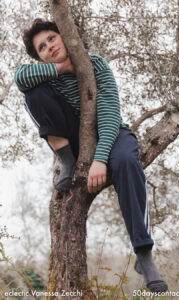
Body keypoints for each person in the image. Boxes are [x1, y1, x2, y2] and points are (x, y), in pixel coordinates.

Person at [14, 18, 168, 293]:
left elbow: (110, 113)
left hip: (110, 132)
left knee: (125, 161)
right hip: (72, 137)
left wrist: (99, 158)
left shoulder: (95, 63)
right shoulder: (45, 75)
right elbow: (19, 78)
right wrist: (60, 68)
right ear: (40, 57)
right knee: (31, 93)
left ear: (64, 37)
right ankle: (66, 159)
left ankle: (144, 255)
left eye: (52, 39)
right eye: (42, 47)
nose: (49, 47)